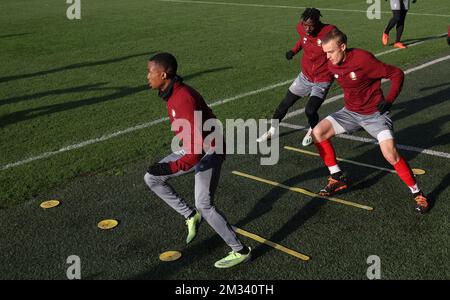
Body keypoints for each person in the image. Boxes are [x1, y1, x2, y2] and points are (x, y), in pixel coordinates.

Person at [144, 52, 251, 268]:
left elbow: (195, 154)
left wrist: (169, 167)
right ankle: (190, 216)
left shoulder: (181, 98)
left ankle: (241, 250)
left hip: (209, 150)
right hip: (195, 147)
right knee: (151, 178)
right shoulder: (172, 93)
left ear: (163, 74)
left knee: (205, 204)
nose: (147, 76)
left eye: (150, 72)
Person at [314, 28, 429, 213]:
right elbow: (324, 83)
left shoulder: (363, 60)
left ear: (343, 47)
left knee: (390, 153)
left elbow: (397, 74)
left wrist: (389, 100)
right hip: (350, 112)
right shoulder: (331, 63)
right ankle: (337, 178)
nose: (327, 57)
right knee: (317, 132)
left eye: (330, 52)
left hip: (374, 115)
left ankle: (418, 193)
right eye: (325, 52)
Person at [257, 8, 336, 146]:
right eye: (305, 25)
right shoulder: (301, 28)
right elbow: (303, 40)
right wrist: (293, 51)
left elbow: (342, 43)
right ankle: (272, 131)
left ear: (318, 22)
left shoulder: (329, 31)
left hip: (322, 79)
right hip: (305, 77)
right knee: (283, 105)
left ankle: (313, 129)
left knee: (310, 110)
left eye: (310, 25)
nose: (307, 28)